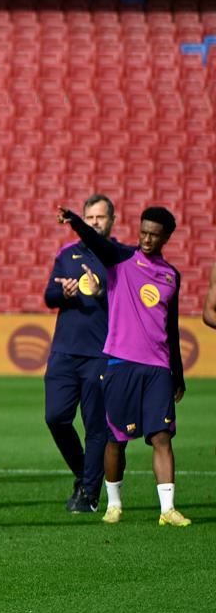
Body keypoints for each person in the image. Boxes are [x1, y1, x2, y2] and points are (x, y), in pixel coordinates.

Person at [56, 204, 189, 527]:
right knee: (116, 438)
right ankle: (114, 504)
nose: (146, 239)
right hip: (120, 363)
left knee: (162, 437)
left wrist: (178, 373)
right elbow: (95, 239)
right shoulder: (121, 259)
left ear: (166, 237)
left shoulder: (172, 275)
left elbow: (170, 328)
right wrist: (75, 220)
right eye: (143, 232)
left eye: (154, 235)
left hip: (157, 367)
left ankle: (167, 509)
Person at [42, 195, 115, 513]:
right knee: (55, 417)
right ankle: (84, 475)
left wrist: (101, 294)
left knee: (95, 425)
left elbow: (128, 307)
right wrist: (64, 293)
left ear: (112, 220)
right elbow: (49, 296)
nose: (95, 222)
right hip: (64, 351)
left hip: (100, 353)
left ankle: (89, 493)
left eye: (101, 217)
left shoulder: (118, 258)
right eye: (90, 217)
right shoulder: (67, 255)